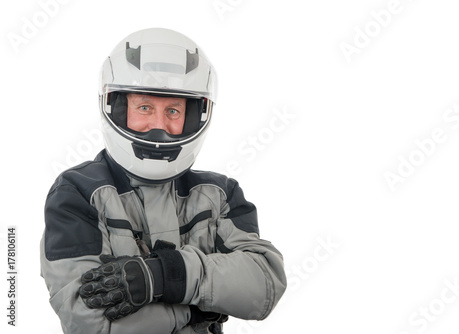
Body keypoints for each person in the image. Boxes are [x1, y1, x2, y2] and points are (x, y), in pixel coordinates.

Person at [40, 28, 287, 334]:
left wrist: (165, 276)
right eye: (144, 107)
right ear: (117, 108)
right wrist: (197, 313)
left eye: (173, 110)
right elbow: (90, 323)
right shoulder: (78, 193)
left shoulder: (219, 195)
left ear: (194, 115)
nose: (159, 126)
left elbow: (263, 285)